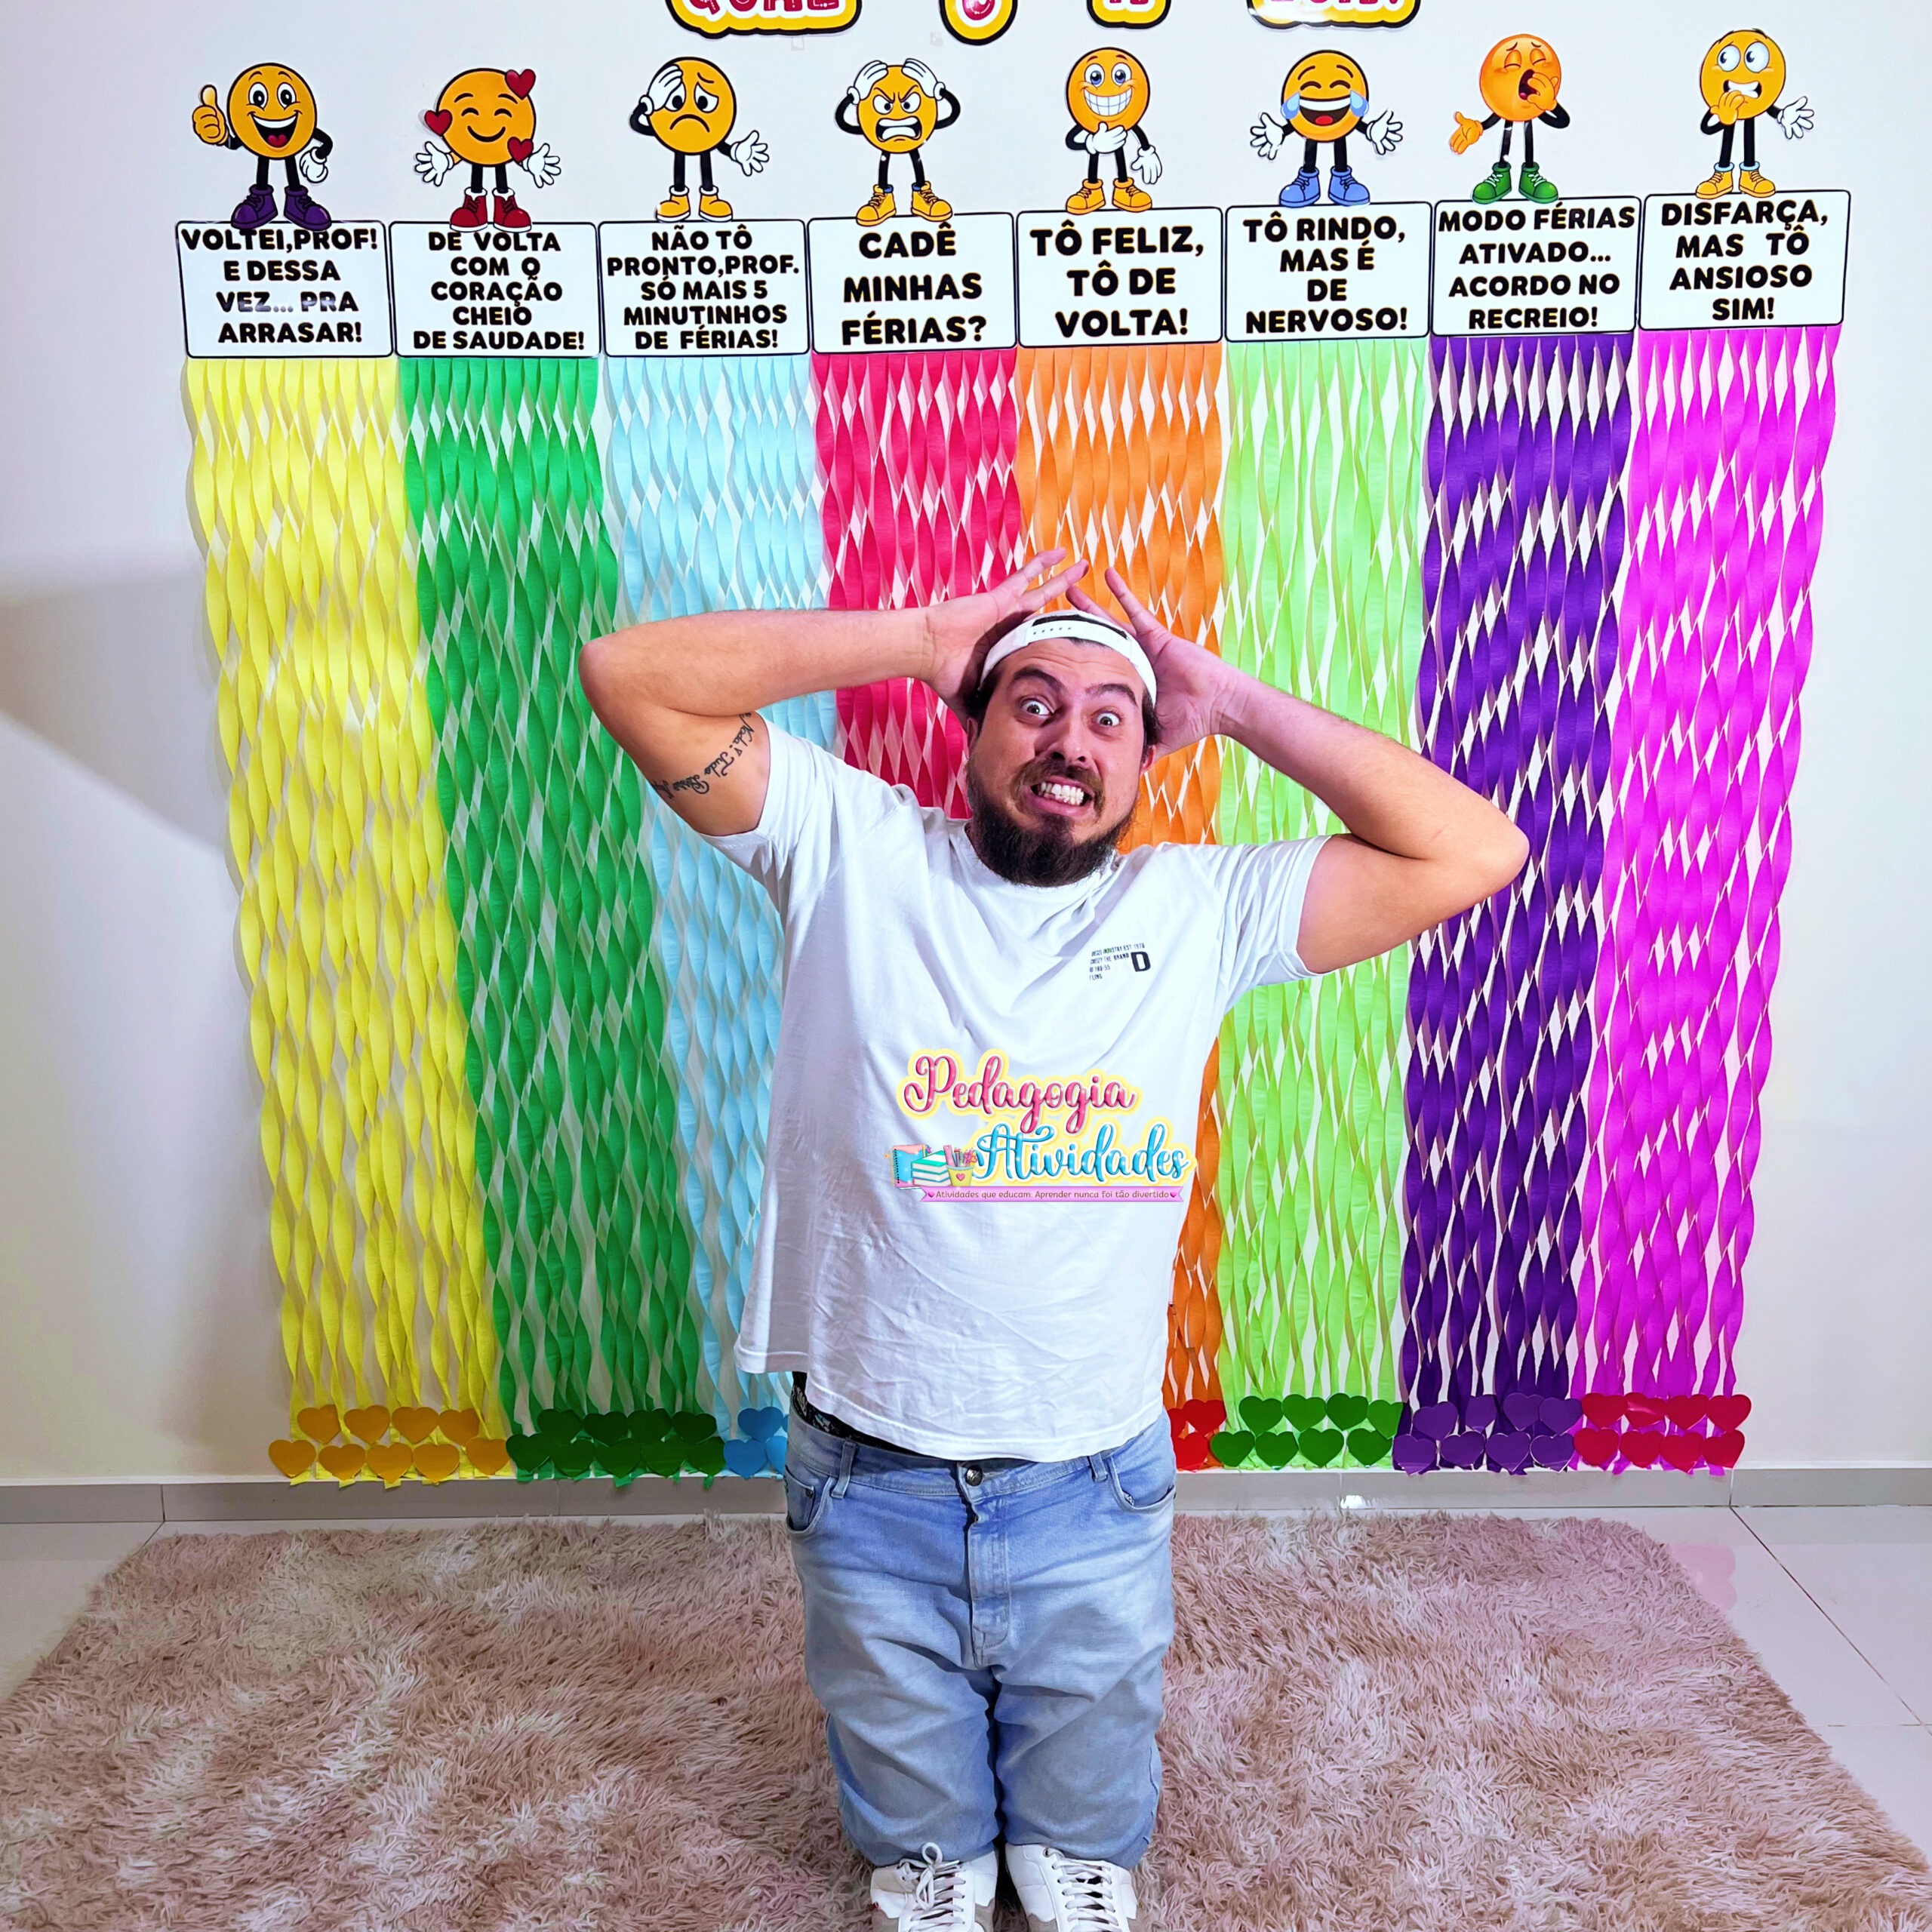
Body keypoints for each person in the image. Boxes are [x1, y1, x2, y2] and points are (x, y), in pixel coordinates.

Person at [577, 553, 1526, 1930]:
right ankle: (929, 1856)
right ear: (972, 727)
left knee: (1091, 1743)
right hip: (872, 1461)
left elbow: (1473, 851)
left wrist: (1232, 700)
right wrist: (919, 635)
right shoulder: (849, 850)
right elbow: (631, 678)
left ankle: (1070, 1848)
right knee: (896, 1747)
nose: (1068, 740)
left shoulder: (1197, 911)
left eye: (1107, 717)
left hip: (1091, 1471)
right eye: (1032, 704)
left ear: (1146, 758)